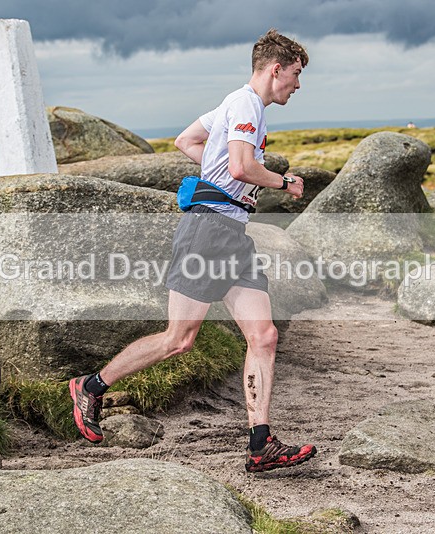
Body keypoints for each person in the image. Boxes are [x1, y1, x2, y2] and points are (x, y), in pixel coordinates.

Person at [70, 29, 317, 472]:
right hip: (208, 231)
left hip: (232, 234)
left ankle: (260, 443)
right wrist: (283, 182)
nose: (298, 85)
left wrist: (219, 173)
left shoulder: (232, 106)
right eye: (296, 74)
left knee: (264, 336)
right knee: (179, 340)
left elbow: (186, 140)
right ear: (275, 69)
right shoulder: (245, 104)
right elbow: (241, 166)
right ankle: (91, 386)